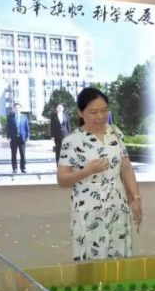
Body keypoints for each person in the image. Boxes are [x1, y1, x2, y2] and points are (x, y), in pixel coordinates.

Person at [56, 87, 141, 262]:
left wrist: (136, 198)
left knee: (119, 258)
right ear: (80, 112)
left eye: (104, 110)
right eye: (94, 112)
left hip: (117, 205)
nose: (100, 116)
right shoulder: (72, 140)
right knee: (91, 260)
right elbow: (62, 179)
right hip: (88, 209)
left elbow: (126, 168)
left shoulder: (115, 133)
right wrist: (87, 171)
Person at [8, 102, 30, 173]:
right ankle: (14, 168)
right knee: (13, 154)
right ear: (13, 109)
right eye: (15, 108)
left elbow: (27, 127)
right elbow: (8, 128)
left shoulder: (24, 117)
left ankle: (23, 168)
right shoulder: (10, 117)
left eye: (18, 108)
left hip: (22, 138)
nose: (17, 109)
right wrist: (9, 137)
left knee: (22, 154)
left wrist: (27, 136)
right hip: (13, 138)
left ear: (20, 109)